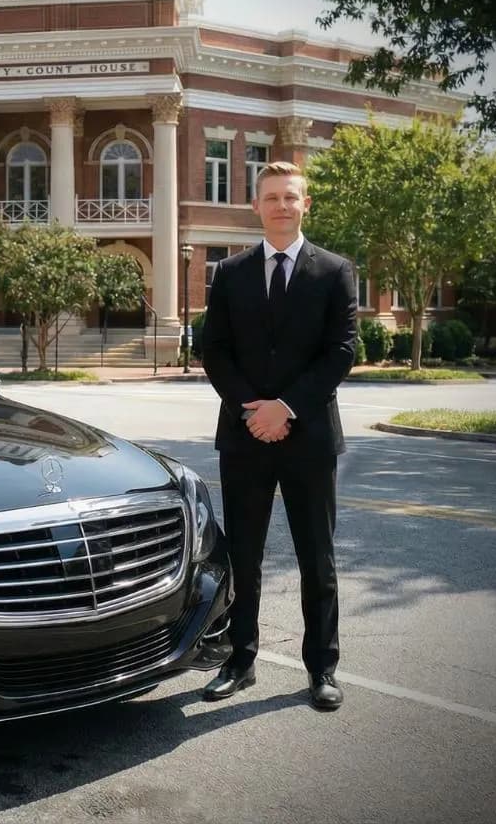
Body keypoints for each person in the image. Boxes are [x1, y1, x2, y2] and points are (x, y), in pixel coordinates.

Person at [198, 161, 357, 712]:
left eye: (291, 197)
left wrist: (286, 409)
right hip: (245, 437)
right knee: (244, 556)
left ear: (305, 205)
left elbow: (341, 352)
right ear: (257, 205)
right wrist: (254, 411)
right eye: (271, 197)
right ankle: (239, 660)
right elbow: (212, 349)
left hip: (309, 437)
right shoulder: (230, 272)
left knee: (319, 558)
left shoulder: (335, 271)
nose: (282, 206)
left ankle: (322, 670)